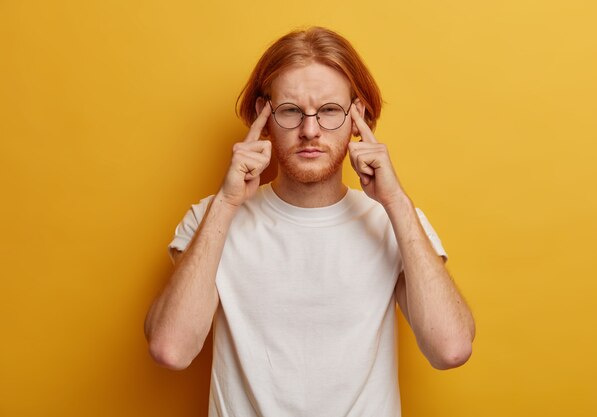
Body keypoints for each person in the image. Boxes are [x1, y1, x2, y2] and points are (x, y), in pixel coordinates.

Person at [144, 26, 475, 417]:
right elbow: (171, 349)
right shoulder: (211, 217)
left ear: (358, 117)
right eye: (290, 111)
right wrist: (227, 201)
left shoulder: (393, 221)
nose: (310, 130)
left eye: (330, 111)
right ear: (262, 117)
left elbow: (451, 348)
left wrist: (397, 203)